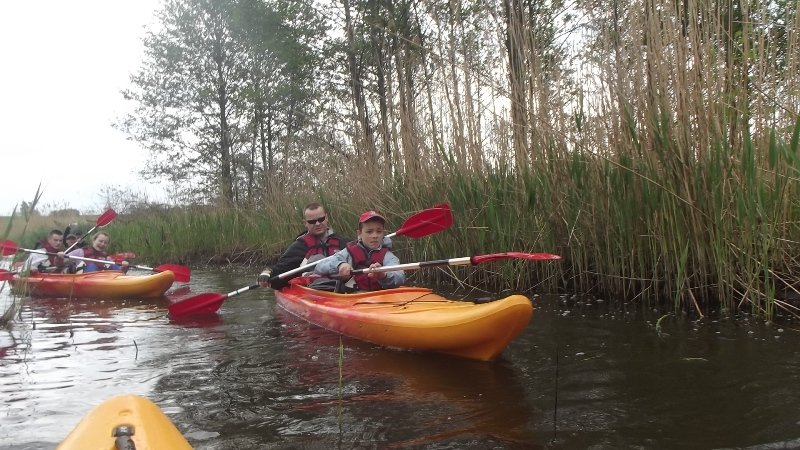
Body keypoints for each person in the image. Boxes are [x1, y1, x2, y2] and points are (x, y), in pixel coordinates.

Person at [257, 202, 349, 290]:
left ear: (326, 218)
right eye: (312, 221)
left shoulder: (343, 242)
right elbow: (283, 268)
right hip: (312, 289)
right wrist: (268, 273)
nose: (317, 224)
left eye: (321, 219)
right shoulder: (300, 246)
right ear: (305, 223)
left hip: (343, 288)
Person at [314, 211, 405, 290]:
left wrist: (383, 275)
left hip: (380, 298)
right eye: (369, 232)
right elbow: (320, 267)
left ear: (383, 233)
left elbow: (400, 276)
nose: (375, 236)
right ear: (359, 233)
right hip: (354, 296)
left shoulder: (388, 256)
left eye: (379, 231)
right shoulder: (348, 252)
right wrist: (340, 265)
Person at [64, 232, 128, 273]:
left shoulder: (107, 257)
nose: (102, 244)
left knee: (113, 265)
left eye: (105, 243)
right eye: (100, 241)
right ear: (94, 240)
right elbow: (63, 260)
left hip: (101, 280)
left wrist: (124, 267)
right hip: (83, 279)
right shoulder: (81, 251)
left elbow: (118, 270)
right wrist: (61, 256)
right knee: (92, 266)